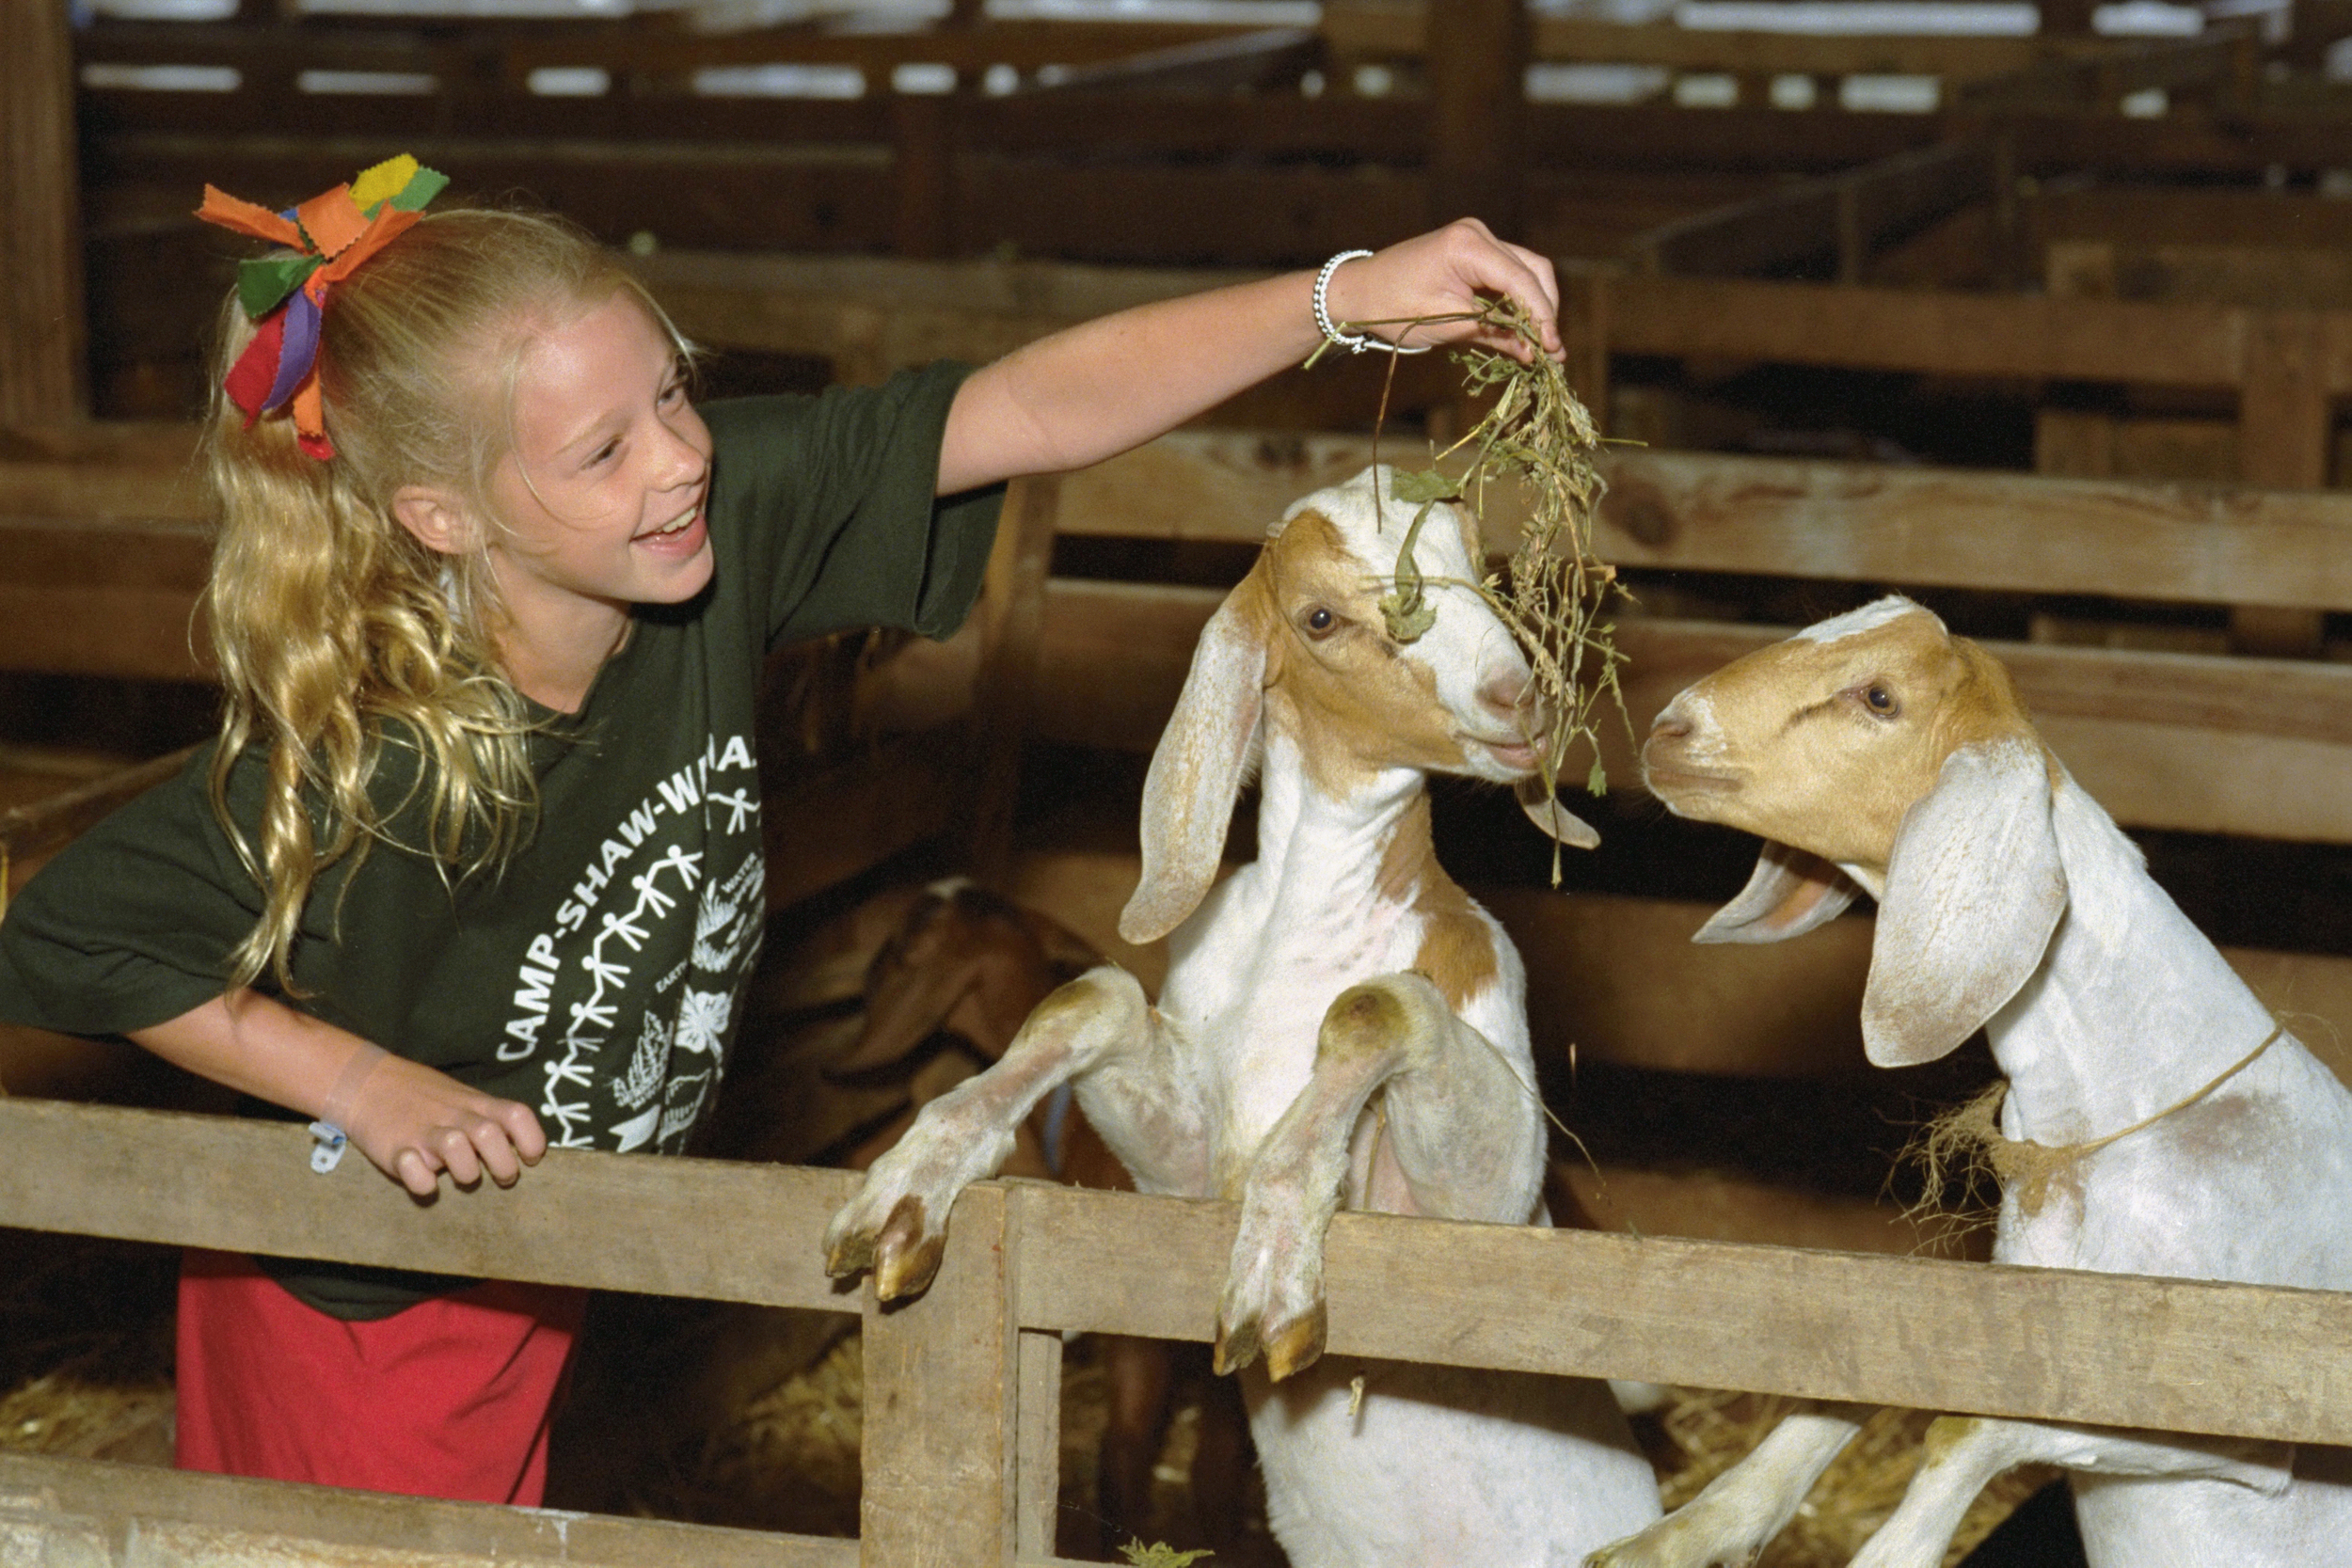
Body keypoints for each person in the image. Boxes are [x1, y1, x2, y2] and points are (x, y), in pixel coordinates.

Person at [0, 154, 1564, 1507]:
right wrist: (351, 1077)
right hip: (357, 1298)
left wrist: (1346, 295)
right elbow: (70, 927)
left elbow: (1020, 408)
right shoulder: (379, 755)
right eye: (603, 448)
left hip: (538, 1248)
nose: (680, 454)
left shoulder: (705, 524)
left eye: (671, 392)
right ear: (443, 518)